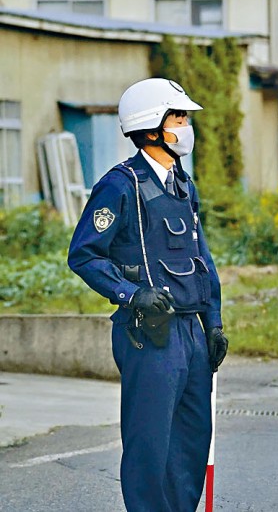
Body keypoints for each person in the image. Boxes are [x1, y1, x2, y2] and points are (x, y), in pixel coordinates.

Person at [68, 77, 229, 512]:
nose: (186, 126)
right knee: (150, 445)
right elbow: (84, 256)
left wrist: (212, 323)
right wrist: (130, 294)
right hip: (149, 334)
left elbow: (203, 262)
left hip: (191, 333)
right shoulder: (119, 185)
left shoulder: (182, 184)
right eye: (179, 117)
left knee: (193, 441)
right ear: (151, 127)